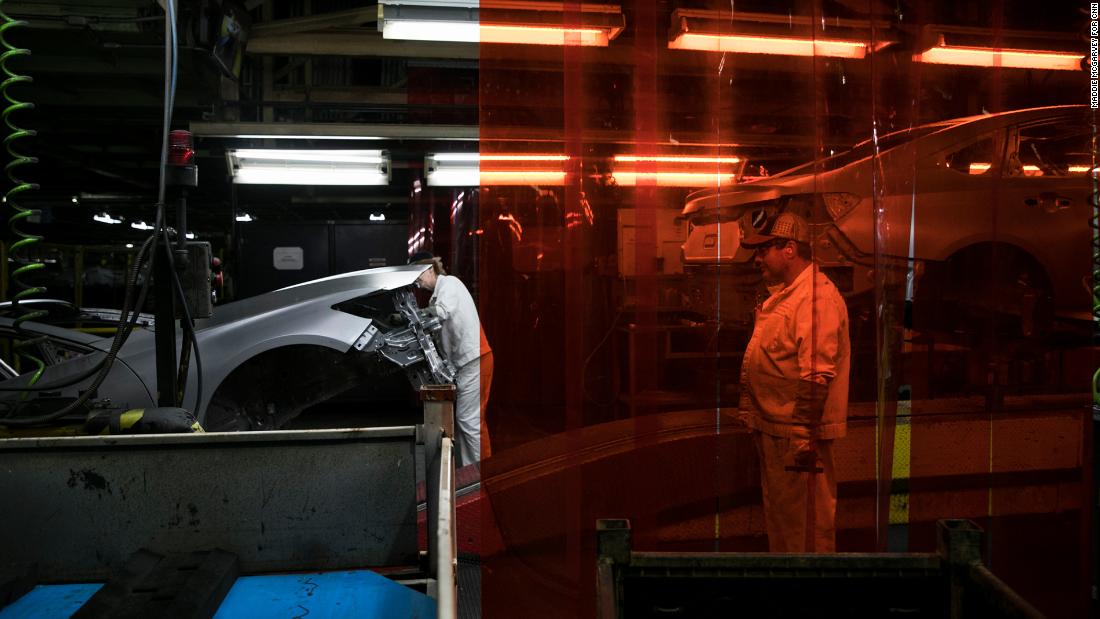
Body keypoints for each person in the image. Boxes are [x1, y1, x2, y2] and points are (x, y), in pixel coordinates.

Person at [737, 212, 850, 553]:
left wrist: (802, 438)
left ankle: (808, 600)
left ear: (789, 249)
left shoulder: (816, 299)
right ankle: (791, 596)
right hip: (778, 433)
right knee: (787, 528)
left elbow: (816, 373)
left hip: (796, 441)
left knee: (805, 533)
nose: (758, 259)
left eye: (764, 250)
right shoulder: (789, 295)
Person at [410, 251, 493, 467]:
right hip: (466, 364)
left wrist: (411, 318)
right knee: (466, 423)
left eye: (417, 276)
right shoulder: (436, 296)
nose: (416, 283)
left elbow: (442, 312)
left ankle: (481, 477)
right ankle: (471, 475)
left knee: (470, 422)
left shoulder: (449, 284)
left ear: (429, 269)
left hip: (475, 359)